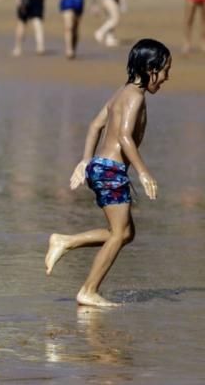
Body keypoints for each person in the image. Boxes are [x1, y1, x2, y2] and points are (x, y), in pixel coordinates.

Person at [45, 39, 170, 307]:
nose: (167, 78)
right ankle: (88, 290)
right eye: (165, 70)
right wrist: (144, 172)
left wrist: (85, 161)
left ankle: (66, 241)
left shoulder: (120, 93)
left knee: (124, 233)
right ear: (151, 69)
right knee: (118, 234)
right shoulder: (135, 97)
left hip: (101, 168)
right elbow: (125, 137)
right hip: (111, 171)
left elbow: (94, 125)